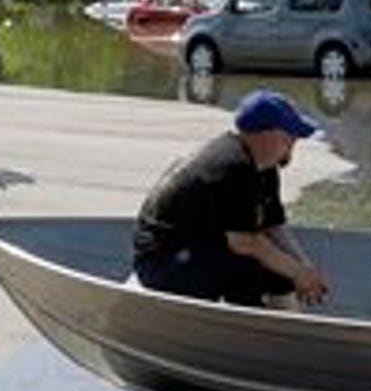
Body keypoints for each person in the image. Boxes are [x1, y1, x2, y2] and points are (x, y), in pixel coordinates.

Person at [132, 88, 331, 308]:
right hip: (162, 261)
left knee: (278, 268)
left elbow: (273, 225)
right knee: (244, 269)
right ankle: (252, 330)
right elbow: (244, 242)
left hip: (201, 247)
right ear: (264, 135)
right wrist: (297, 271)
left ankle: (287, 326)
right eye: (289, 136)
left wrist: (304, 268)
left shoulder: (264, 167)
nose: (293, 143)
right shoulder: (232, 166)